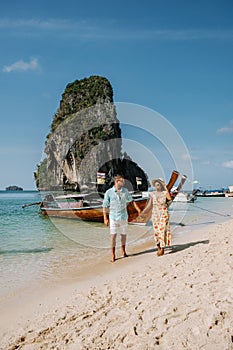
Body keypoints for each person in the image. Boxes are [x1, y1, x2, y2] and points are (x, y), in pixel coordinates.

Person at [103, 174, 141, 262]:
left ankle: (123, 251)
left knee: (123, 235)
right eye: (122, 181)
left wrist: (138, 209)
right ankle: (113, 255)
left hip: (124, 216)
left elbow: (131, 200)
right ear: (117, 181)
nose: (124, 183)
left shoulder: (125, 191)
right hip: (113, 217)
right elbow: (105, 206)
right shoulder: (109, 192)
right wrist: (105, 218)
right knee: (113, 236)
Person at [146, 179, 172, 256]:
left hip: (163, 212)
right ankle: (158, 247)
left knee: (162, 230)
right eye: (156, 185)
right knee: (156, 232)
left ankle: (162, 248)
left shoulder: (164, 193)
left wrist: (165, 186)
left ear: (161, 185)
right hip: (155, 214)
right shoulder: (152, 194)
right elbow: (149, 204)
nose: (158, 186)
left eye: (159, 184)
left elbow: (169, 198)